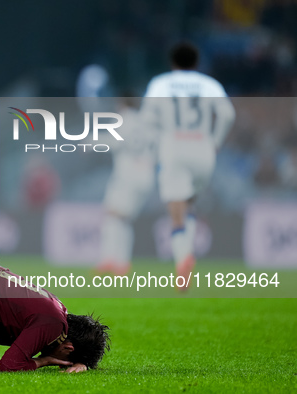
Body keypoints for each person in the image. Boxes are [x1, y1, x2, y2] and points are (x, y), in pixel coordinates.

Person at [140, 42, 235, 290]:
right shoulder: (209, 84)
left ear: (173, 63)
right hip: (204, 150)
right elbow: (227, 115)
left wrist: (153, 149)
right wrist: (215, 140)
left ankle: (183, 260)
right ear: (196, 62)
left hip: (174, 148)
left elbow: (147, 121)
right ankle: (187, 254)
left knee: (176, 211)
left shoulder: (160, 84)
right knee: (190, 203)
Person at [97, 97, 157, 275]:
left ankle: (110, 260)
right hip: (146, 176)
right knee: (123, 218)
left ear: (122, 104)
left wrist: (90, 142)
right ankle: (121, 263)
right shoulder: (147, 124)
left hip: (127, 176)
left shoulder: (124, 120)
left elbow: (114, 141)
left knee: (111, 214)